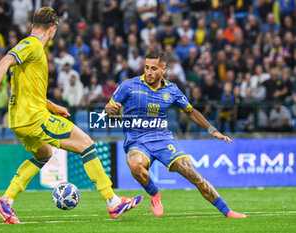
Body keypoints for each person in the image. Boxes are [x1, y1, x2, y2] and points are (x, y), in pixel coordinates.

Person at [0, 7, 142, 224]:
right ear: (52, 29)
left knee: (44, 154)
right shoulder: (32, 44)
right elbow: (4, 61)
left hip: (20, 120)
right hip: (34, 118)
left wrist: (52, 106)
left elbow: (28, 89)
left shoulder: (33, 50)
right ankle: (113, 202)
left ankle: (6, 200)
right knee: (86, 144)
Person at [105, 51, 246, 218]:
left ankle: (228, 211)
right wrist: (110, 110)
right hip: (137, 141)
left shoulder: (172, 90)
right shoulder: (129, 85)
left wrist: (212, 130)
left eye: (154, 69)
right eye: (146, 68)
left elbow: (191, 112)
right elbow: (108, 109)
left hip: (163, 140)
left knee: (194, 175)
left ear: (163, 70)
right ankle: (154, 194)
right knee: (134, 163)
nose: (149, 72)